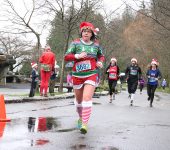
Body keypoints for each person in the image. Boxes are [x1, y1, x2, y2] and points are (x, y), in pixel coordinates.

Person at [64, 21, 105, 134]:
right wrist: (77, 56)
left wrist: (100, 62)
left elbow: (101, 56)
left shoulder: (96, 45)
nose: (86, 33)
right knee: (78, 101)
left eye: (88, 31)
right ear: (81, 33)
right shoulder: (75, 43)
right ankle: (81, 117)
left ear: (92, 34)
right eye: (84, 31)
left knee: (87, 98)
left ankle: (84, 124)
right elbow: (66, 56)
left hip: (91, 74)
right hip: (77, 75)